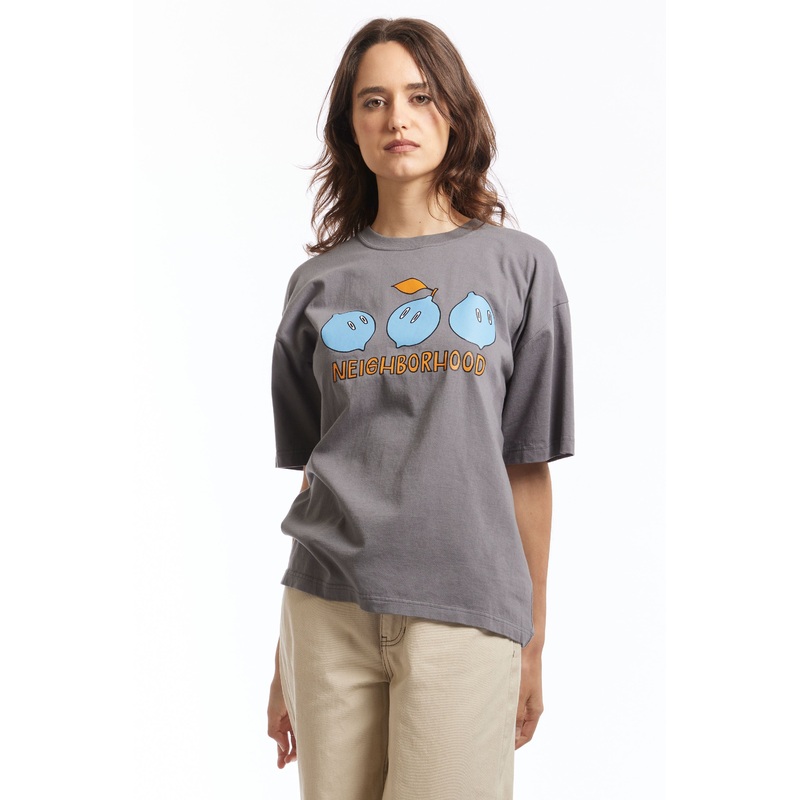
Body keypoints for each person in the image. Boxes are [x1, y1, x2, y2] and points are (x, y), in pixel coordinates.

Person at [267, 17, 574, 800]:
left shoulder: (520, 268)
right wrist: (282, 660)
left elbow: (526, 465)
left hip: (465, 614)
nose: (396, 118)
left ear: (454, 111)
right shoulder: (316, 285)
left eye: (419, 96)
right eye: (373, 101)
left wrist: (531, 640)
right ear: (351, 126)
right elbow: (318, 472)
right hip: (326, 614)